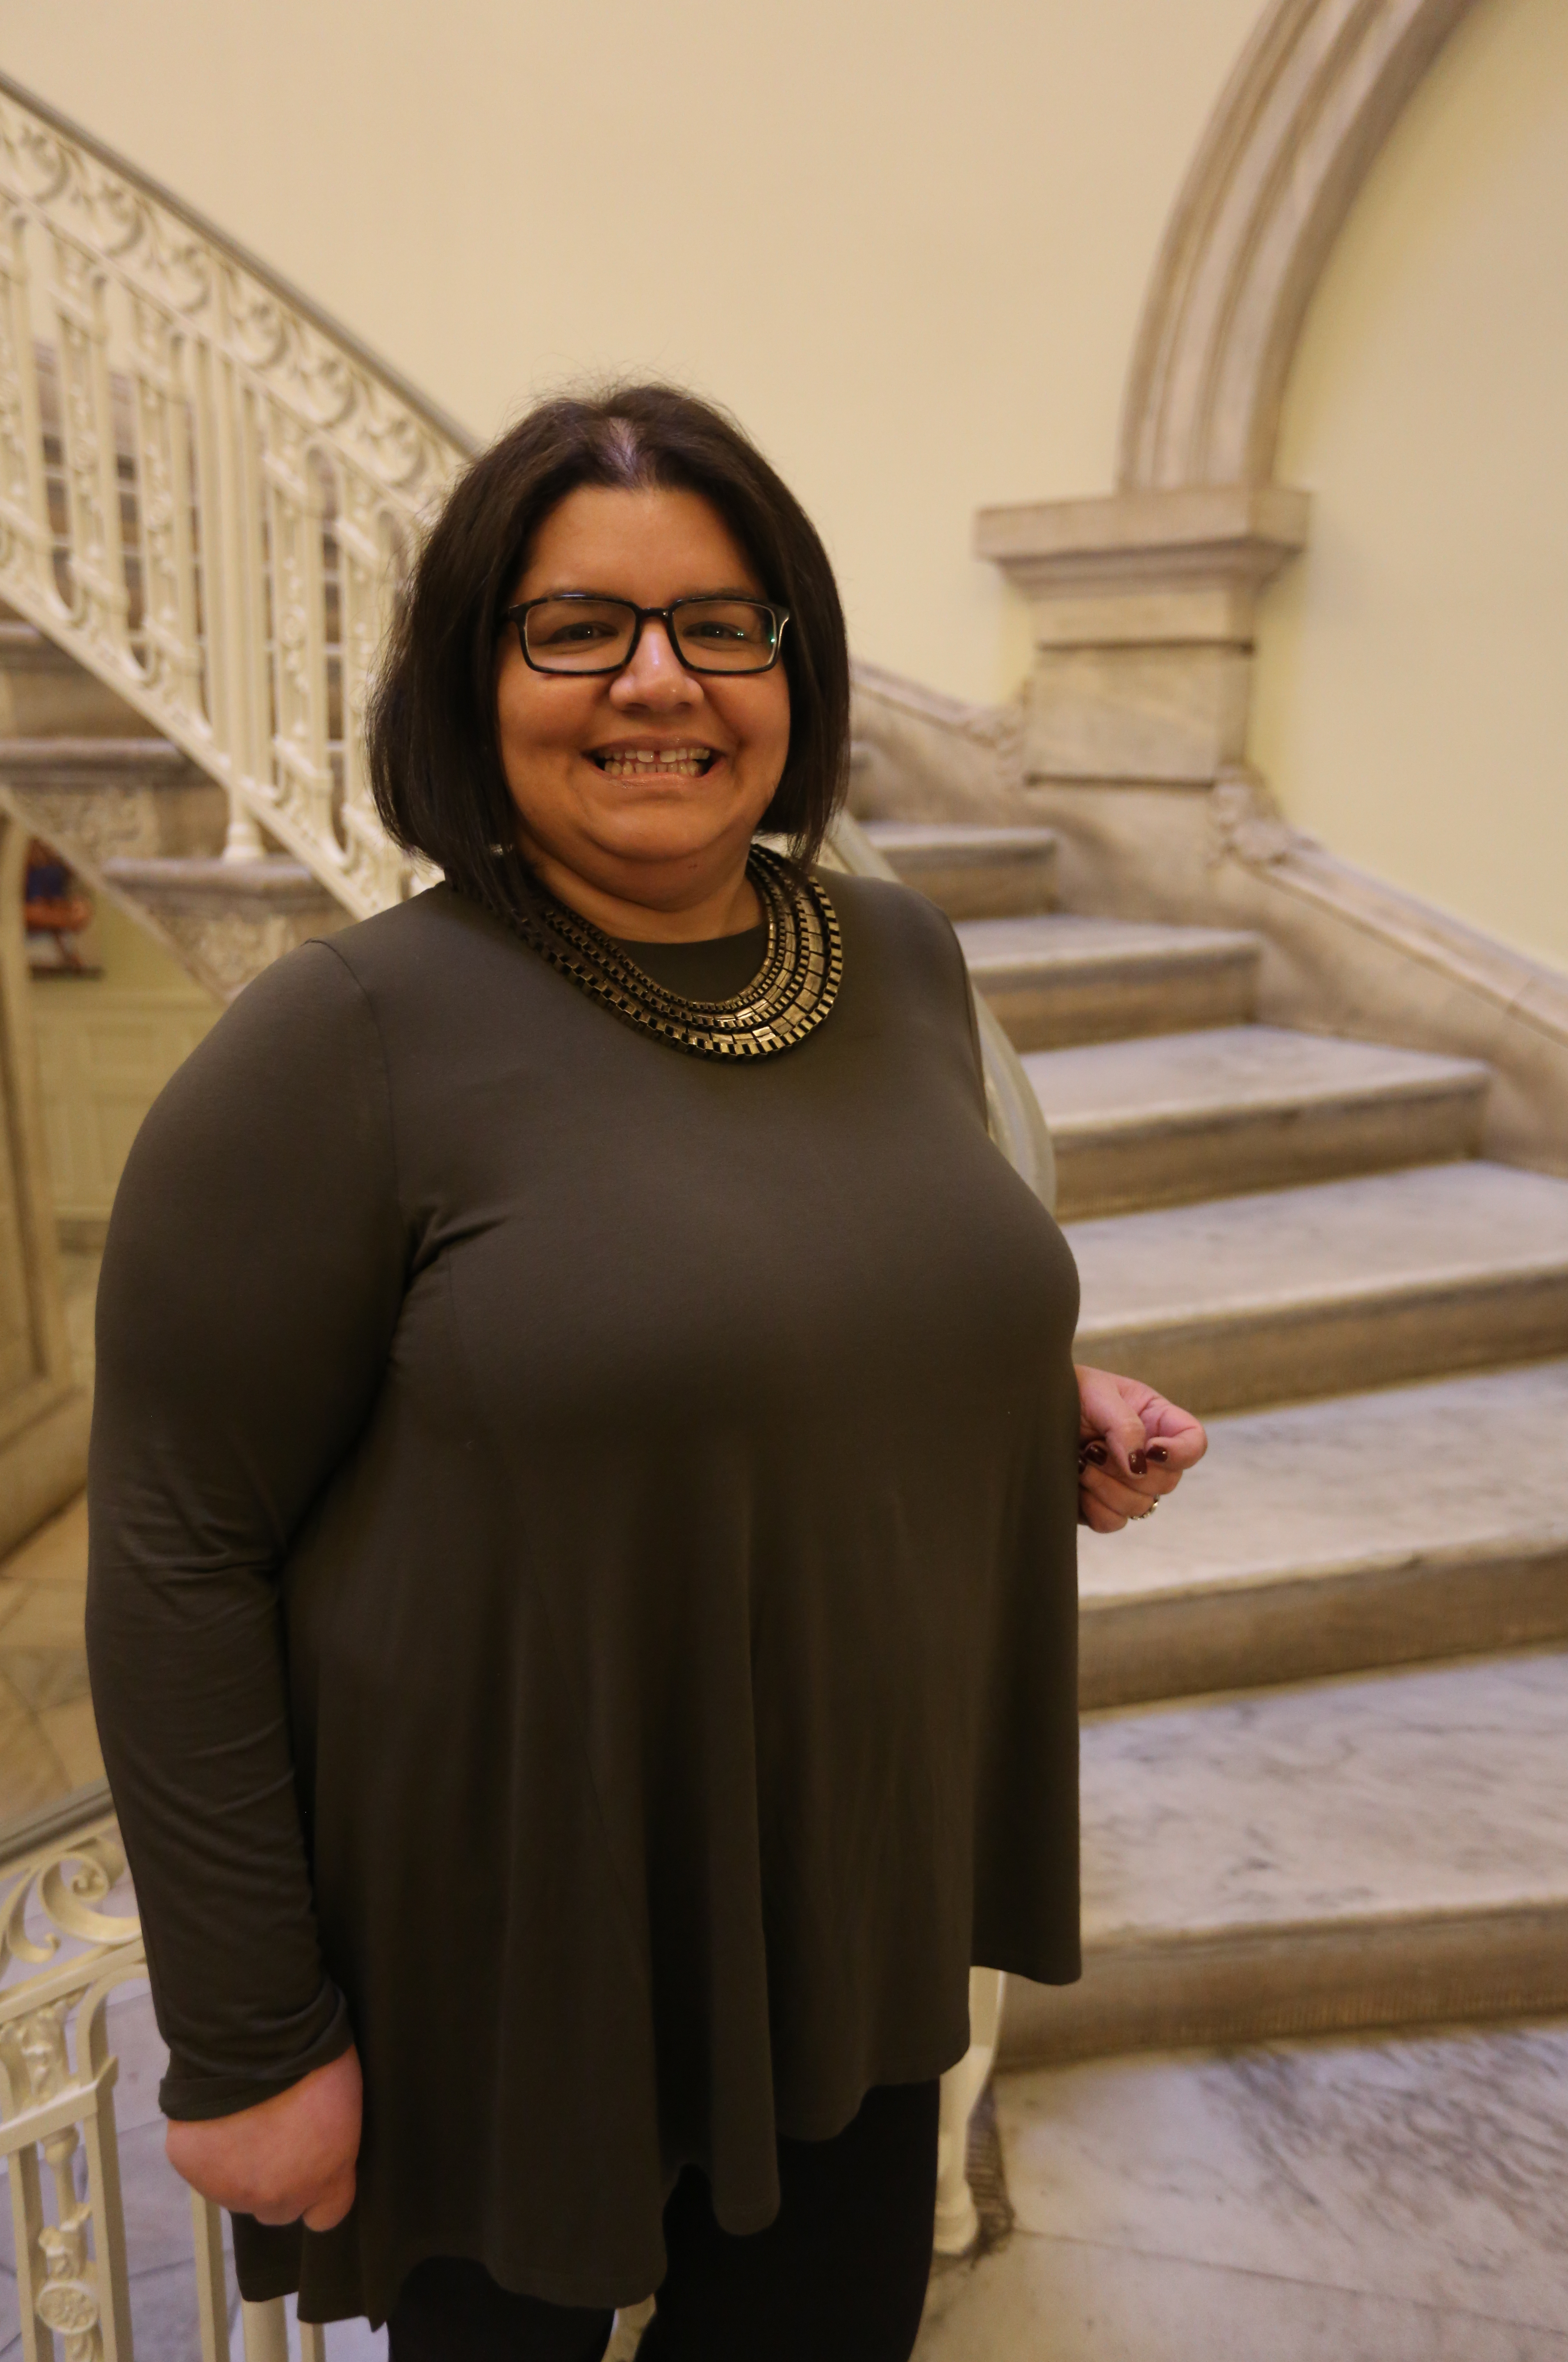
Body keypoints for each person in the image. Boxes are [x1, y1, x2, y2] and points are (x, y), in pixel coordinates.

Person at [85, 383, 1206, 2362]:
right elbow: (178, 1548)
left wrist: (1032, 1407)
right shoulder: (338, 1043)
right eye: (577, 627)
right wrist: (249, 2040)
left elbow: (779, 1280)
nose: (657, 683)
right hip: (504, 1942)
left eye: (721, 622)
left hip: (842, 1903)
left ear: (794, 665)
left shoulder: (899, 958)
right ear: (471, 674)